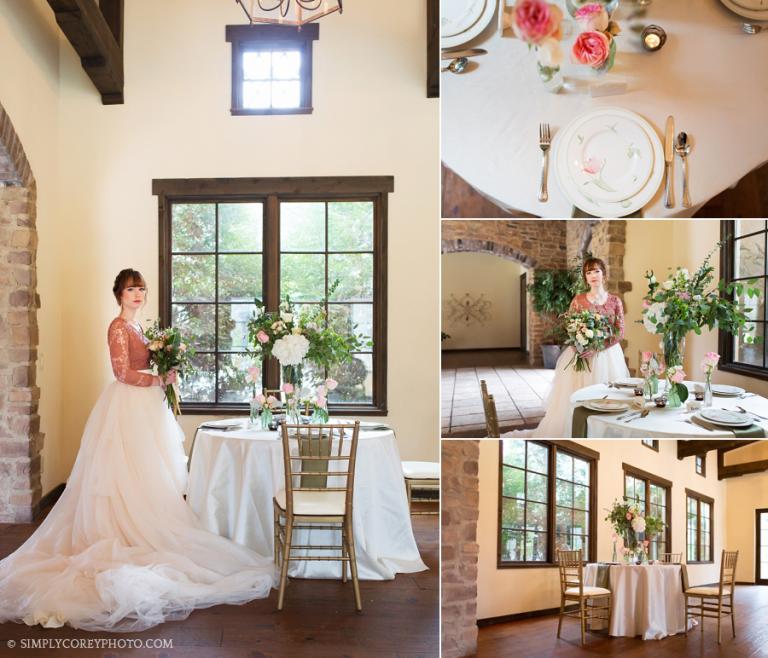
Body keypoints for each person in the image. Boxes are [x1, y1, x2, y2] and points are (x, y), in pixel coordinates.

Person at [0, 269, 276, 632]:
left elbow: (143, 363)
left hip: (145, 405)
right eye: (132, 289)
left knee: (149, 471)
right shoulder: (117, 327)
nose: (138, 294)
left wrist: (167, 368)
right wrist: (159, 378)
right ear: (119, 293)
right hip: (127, 405)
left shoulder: (140, 327)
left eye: (141, 289)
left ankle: (146, 524)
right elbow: (121, 373)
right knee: (124, 469)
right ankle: (123, 529)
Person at [512, 257, 629, 438]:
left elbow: (619, 332)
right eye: (588, 272)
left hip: (607, 355)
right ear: (585, 277)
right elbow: (570, 326)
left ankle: (601, 432)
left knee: (606, 397)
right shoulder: (579, 300)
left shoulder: (615, 301)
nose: (592, 276)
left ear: (604, 274)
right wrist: (579, 344)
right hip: (581, 354)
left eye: (596, 271)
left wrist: (597, 348)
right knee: (578, 396)